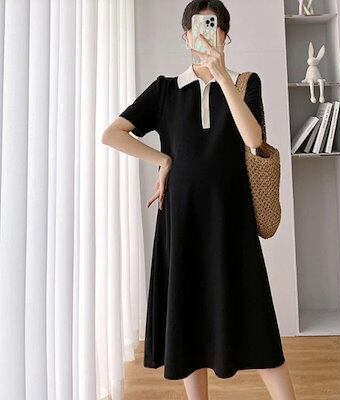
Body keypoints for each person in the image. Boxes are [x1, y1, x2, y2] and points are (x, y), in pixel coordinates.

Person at [102, 1, 296, 399]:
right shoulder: (165, 90)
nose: (205, 35)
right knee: (188, 325)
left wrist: (221, 76)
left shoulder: (245, 83)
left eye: (214, 27)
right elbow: (113, 134)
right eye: (197, 27)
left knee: (256, 323)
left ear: (225, 35)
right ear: (185, 36)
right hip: (183, 223)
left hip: (231, 223)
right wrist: (163, 160)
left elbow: (254, 140)